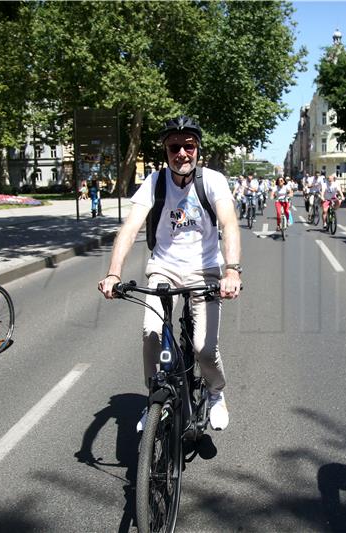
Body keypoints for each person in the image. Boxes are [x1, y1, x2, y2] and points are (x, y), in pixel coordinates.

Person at [98, 116, 242, 432]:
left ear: (197, 149)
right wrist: (113, 273)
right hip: (164, 268)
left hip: (205, 270)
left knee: (205, 348)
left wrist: (231, 271)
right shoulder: (155, 182)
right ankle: (154, 401)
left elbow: (229, 223)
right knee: (151, 335)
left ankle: (216, 393)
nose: (182, 153)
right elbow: (129, 228)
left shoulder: (213, 181)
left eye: (188, 146)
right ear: (166, 150)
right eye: (174, 147)